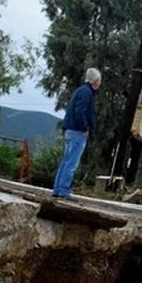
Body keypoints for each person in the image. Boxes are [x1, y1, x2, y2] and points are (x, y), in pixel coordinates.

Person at [52, 67, 101, 199]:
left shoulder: (80, 91)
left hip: (69, 130)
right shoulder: (87, 93)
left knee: (66, 161)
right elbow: (81, 111)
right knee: (72, 163)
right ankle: (63, 190)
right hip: (77, 132)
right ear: (95, 81)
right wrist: (85, 128)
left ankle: (58, 188)